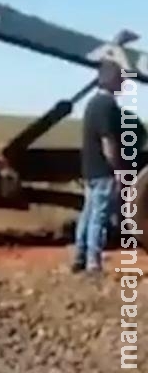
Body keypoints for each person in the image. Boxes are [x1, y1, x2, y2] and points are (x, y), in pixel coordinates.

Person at [73, 60, 124, 273]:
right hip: (103, 170)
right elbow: (107, 141)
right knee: (99, 216)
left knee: (87, 214)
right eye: (120, 79)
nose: (123, 83)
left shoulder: (92, 104)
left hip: (90, 169)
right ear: (112, 80)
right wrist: (118, 169)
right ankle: (94, 263)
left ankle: (79, 256)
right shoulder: (107, 105)